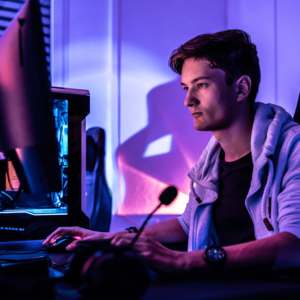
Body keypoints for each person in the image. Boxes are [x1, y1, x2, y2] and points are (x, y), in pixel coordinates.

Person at [44, 29, 300, 274]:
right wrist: (111, 238)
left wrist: (182, 260)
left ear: (241, 88)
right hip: (223, 283)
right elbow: (187, 225)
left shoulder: (292, 149)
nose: (188, 100)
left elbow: (294, 245)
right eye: (186, 88)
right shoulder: (210, 163)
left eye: (201, 85)